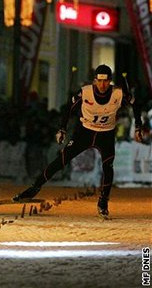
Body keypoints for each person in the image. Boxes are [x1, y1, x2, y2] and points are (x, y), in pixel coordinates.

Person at [13, 64, 144, 219]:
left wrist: (138, 127)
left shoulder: (119, 93)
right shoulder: (85, 92)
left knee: (107, 166)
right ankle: (34, 188)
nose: (102, 85)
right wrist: (62, 129)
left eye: (106, 81)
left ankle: (103, 202)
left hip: (106, 134)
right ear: (95, 80)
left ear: (110, 81)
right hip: (85, 132)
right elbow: (68, 107)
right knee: (62, 159)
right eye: (99, 81)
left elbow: (136, 105)